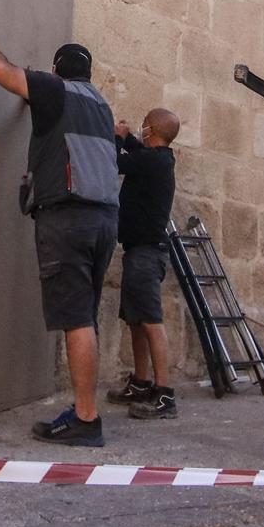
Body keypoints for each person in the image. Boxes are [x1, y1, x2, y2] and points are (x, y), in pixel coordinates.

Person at [0, 9, 119, 447]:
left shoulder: (53, 88)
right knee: (85, 316)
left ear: (56, 70)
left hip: (68, 219)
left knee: (76, 319)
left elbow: (0, 71)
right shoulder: (100, 105)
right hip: (104, 221)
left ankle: (86, 419)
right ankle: (87, 409)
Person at [106, 108, 180, 420]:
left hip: (147, 253)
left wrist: (114, 138)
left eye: (143, 127)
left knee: (150, 319)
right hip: (138, 250)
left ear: (150, 129)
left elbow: (116, 162)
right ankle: (140, 381)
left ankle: (164, 394)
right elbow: (137, 152)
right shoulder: (158, 158)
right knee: (135, 319)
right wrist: (129, 139)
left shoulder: (153, 161)